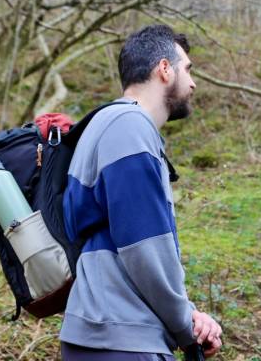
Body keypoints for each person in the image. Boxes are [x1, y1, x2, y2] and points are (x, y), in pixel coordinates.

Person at [59, 25, 223, 360]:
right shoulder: (129, 129)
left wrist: (188, 312)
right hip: (123, 339)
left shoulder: (104, 125)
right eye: (187, 69)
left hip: (105, 332)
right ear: (164, 69)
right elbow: (144, 248)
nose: (192, 83)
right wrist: (186, 327)